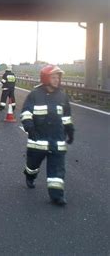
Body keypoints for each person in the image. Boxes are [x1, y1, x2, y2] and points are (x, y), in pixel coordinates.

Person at [20, 65, 74, 206]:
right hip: (38, 140)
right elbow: (26, 113)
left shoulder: (62, 95)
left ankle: (57, 196)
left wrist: (70, 130)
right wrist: (30, 128)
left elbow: (66, 116)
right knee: (32, 165)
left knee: (57, 169)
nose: (57, 80)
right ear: (45, 78)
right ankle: (30, 176)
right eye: (53, 77)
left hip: (57, 140)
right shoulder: (34, 94)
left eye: (58, 77)